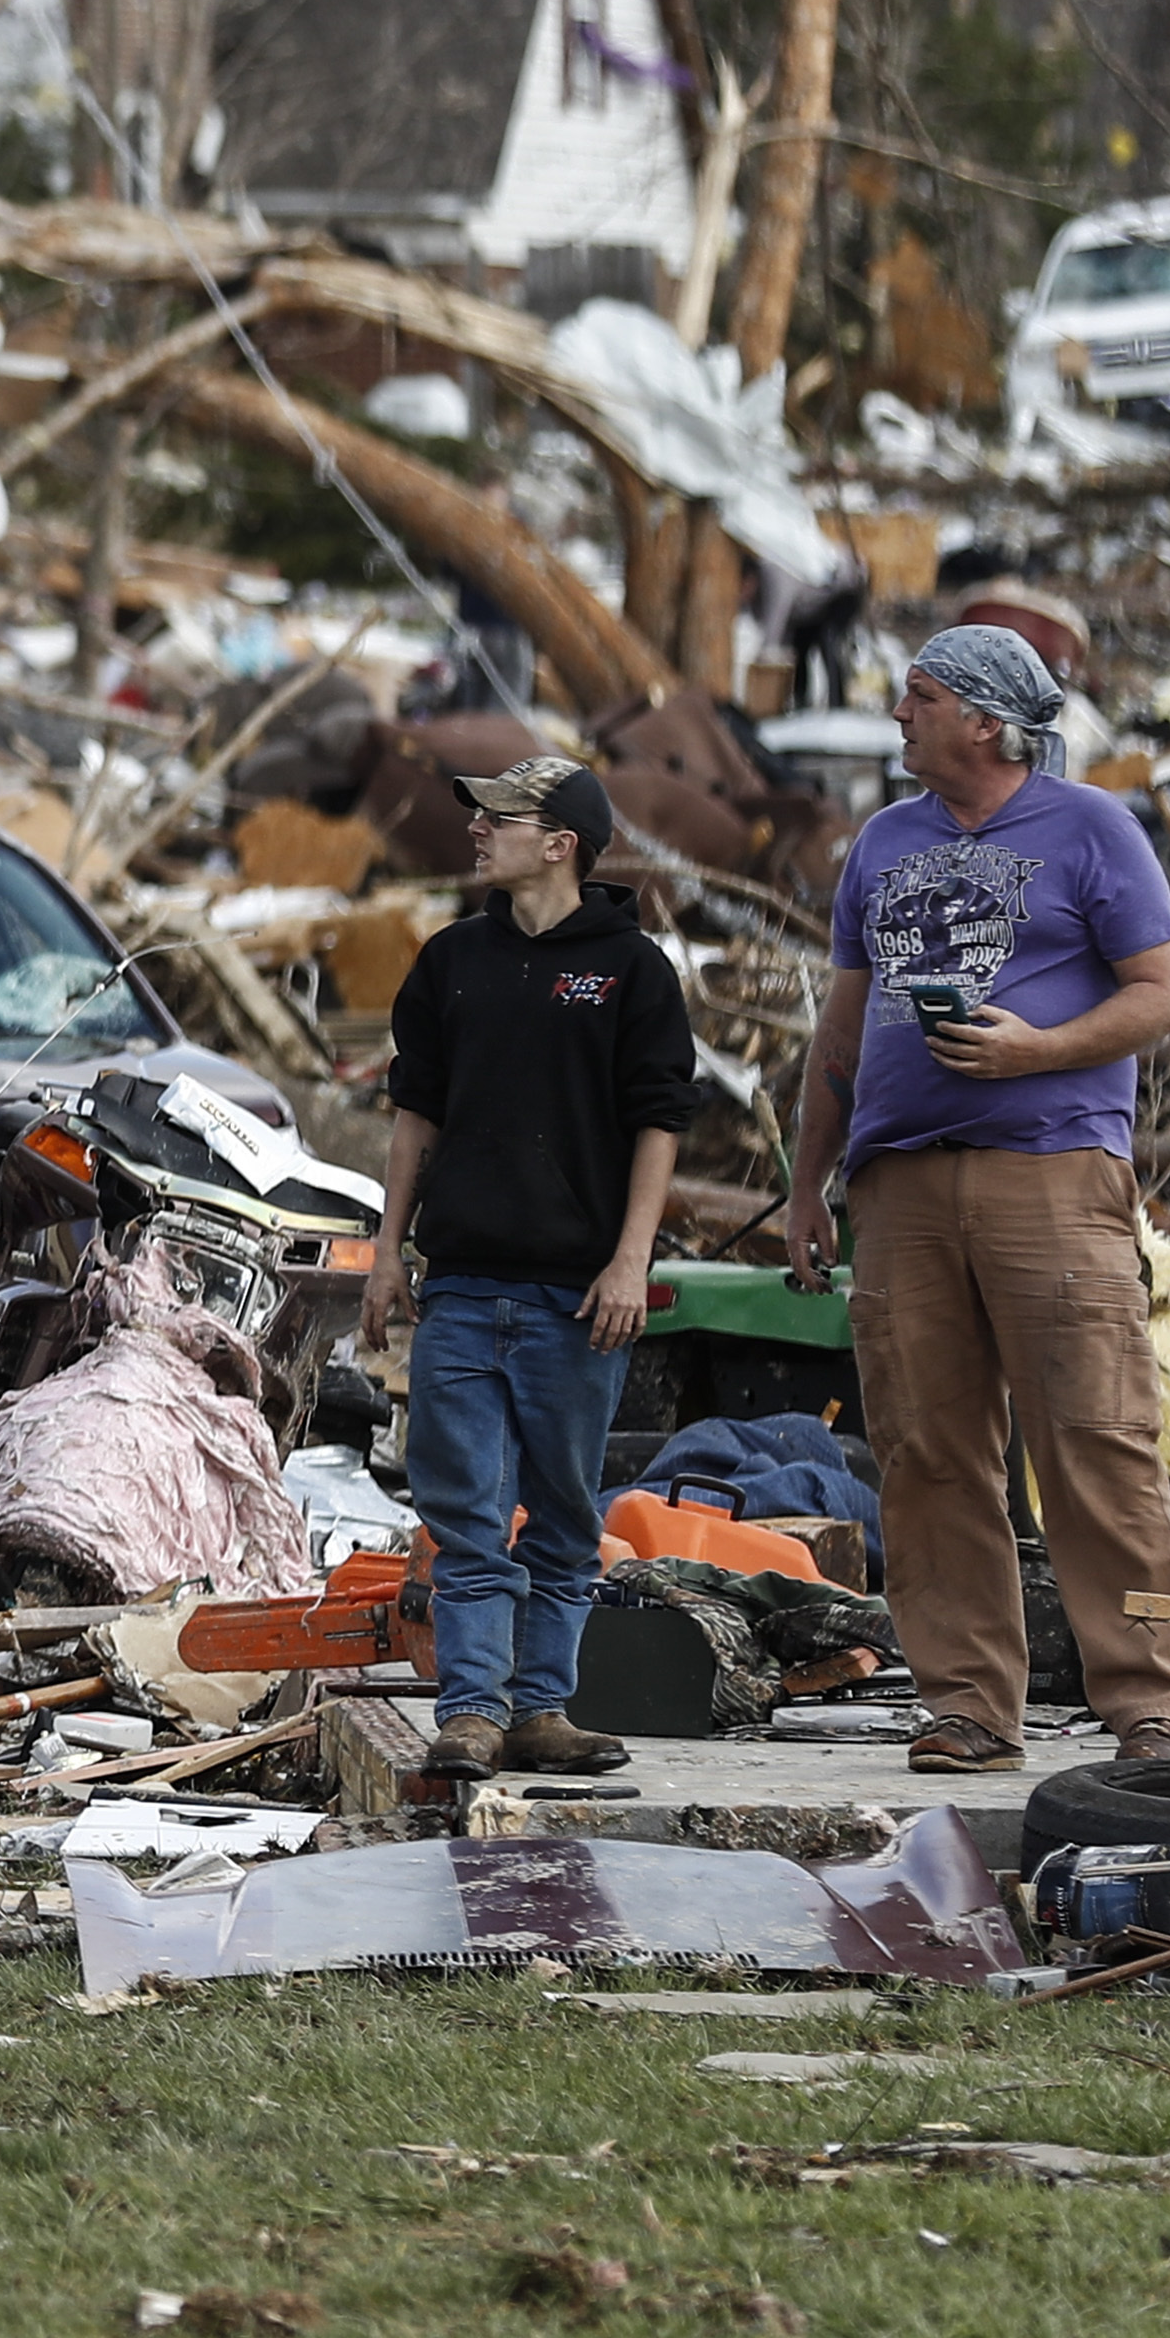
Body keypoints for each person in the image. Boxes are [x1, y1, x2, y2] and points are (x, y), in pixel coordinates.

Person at [776, 623, 1170, 1774]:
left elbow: (1163, 996)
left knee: (1093, 1436)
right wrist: (806, 1186)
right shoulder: (882, 843)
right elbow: (843, 1025)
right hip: (899, 1179)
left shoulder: (1092, 828)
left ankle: (1150, 1703)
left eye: (915, 698)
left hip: (1051, 1167)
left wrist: (1040, 1049)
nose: (897, 717)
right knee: (925, 1449)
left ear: (983, 721)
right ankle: (967, 1704)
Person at [360, 755, 696, 1779]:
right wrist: (386, 1253)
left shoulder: (633, 971)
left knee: (562, 1515)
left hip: (575, 1300)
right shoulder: (450, 961)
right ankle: (471, 1712)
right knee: (465, 1514)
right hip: (464, 1287)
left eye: (499, 817)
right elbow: (416, 1113)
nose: (476, 830)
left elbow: (659, 1121)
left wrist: (630, 1262)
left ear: (561, 842)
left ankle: (541, 1711)